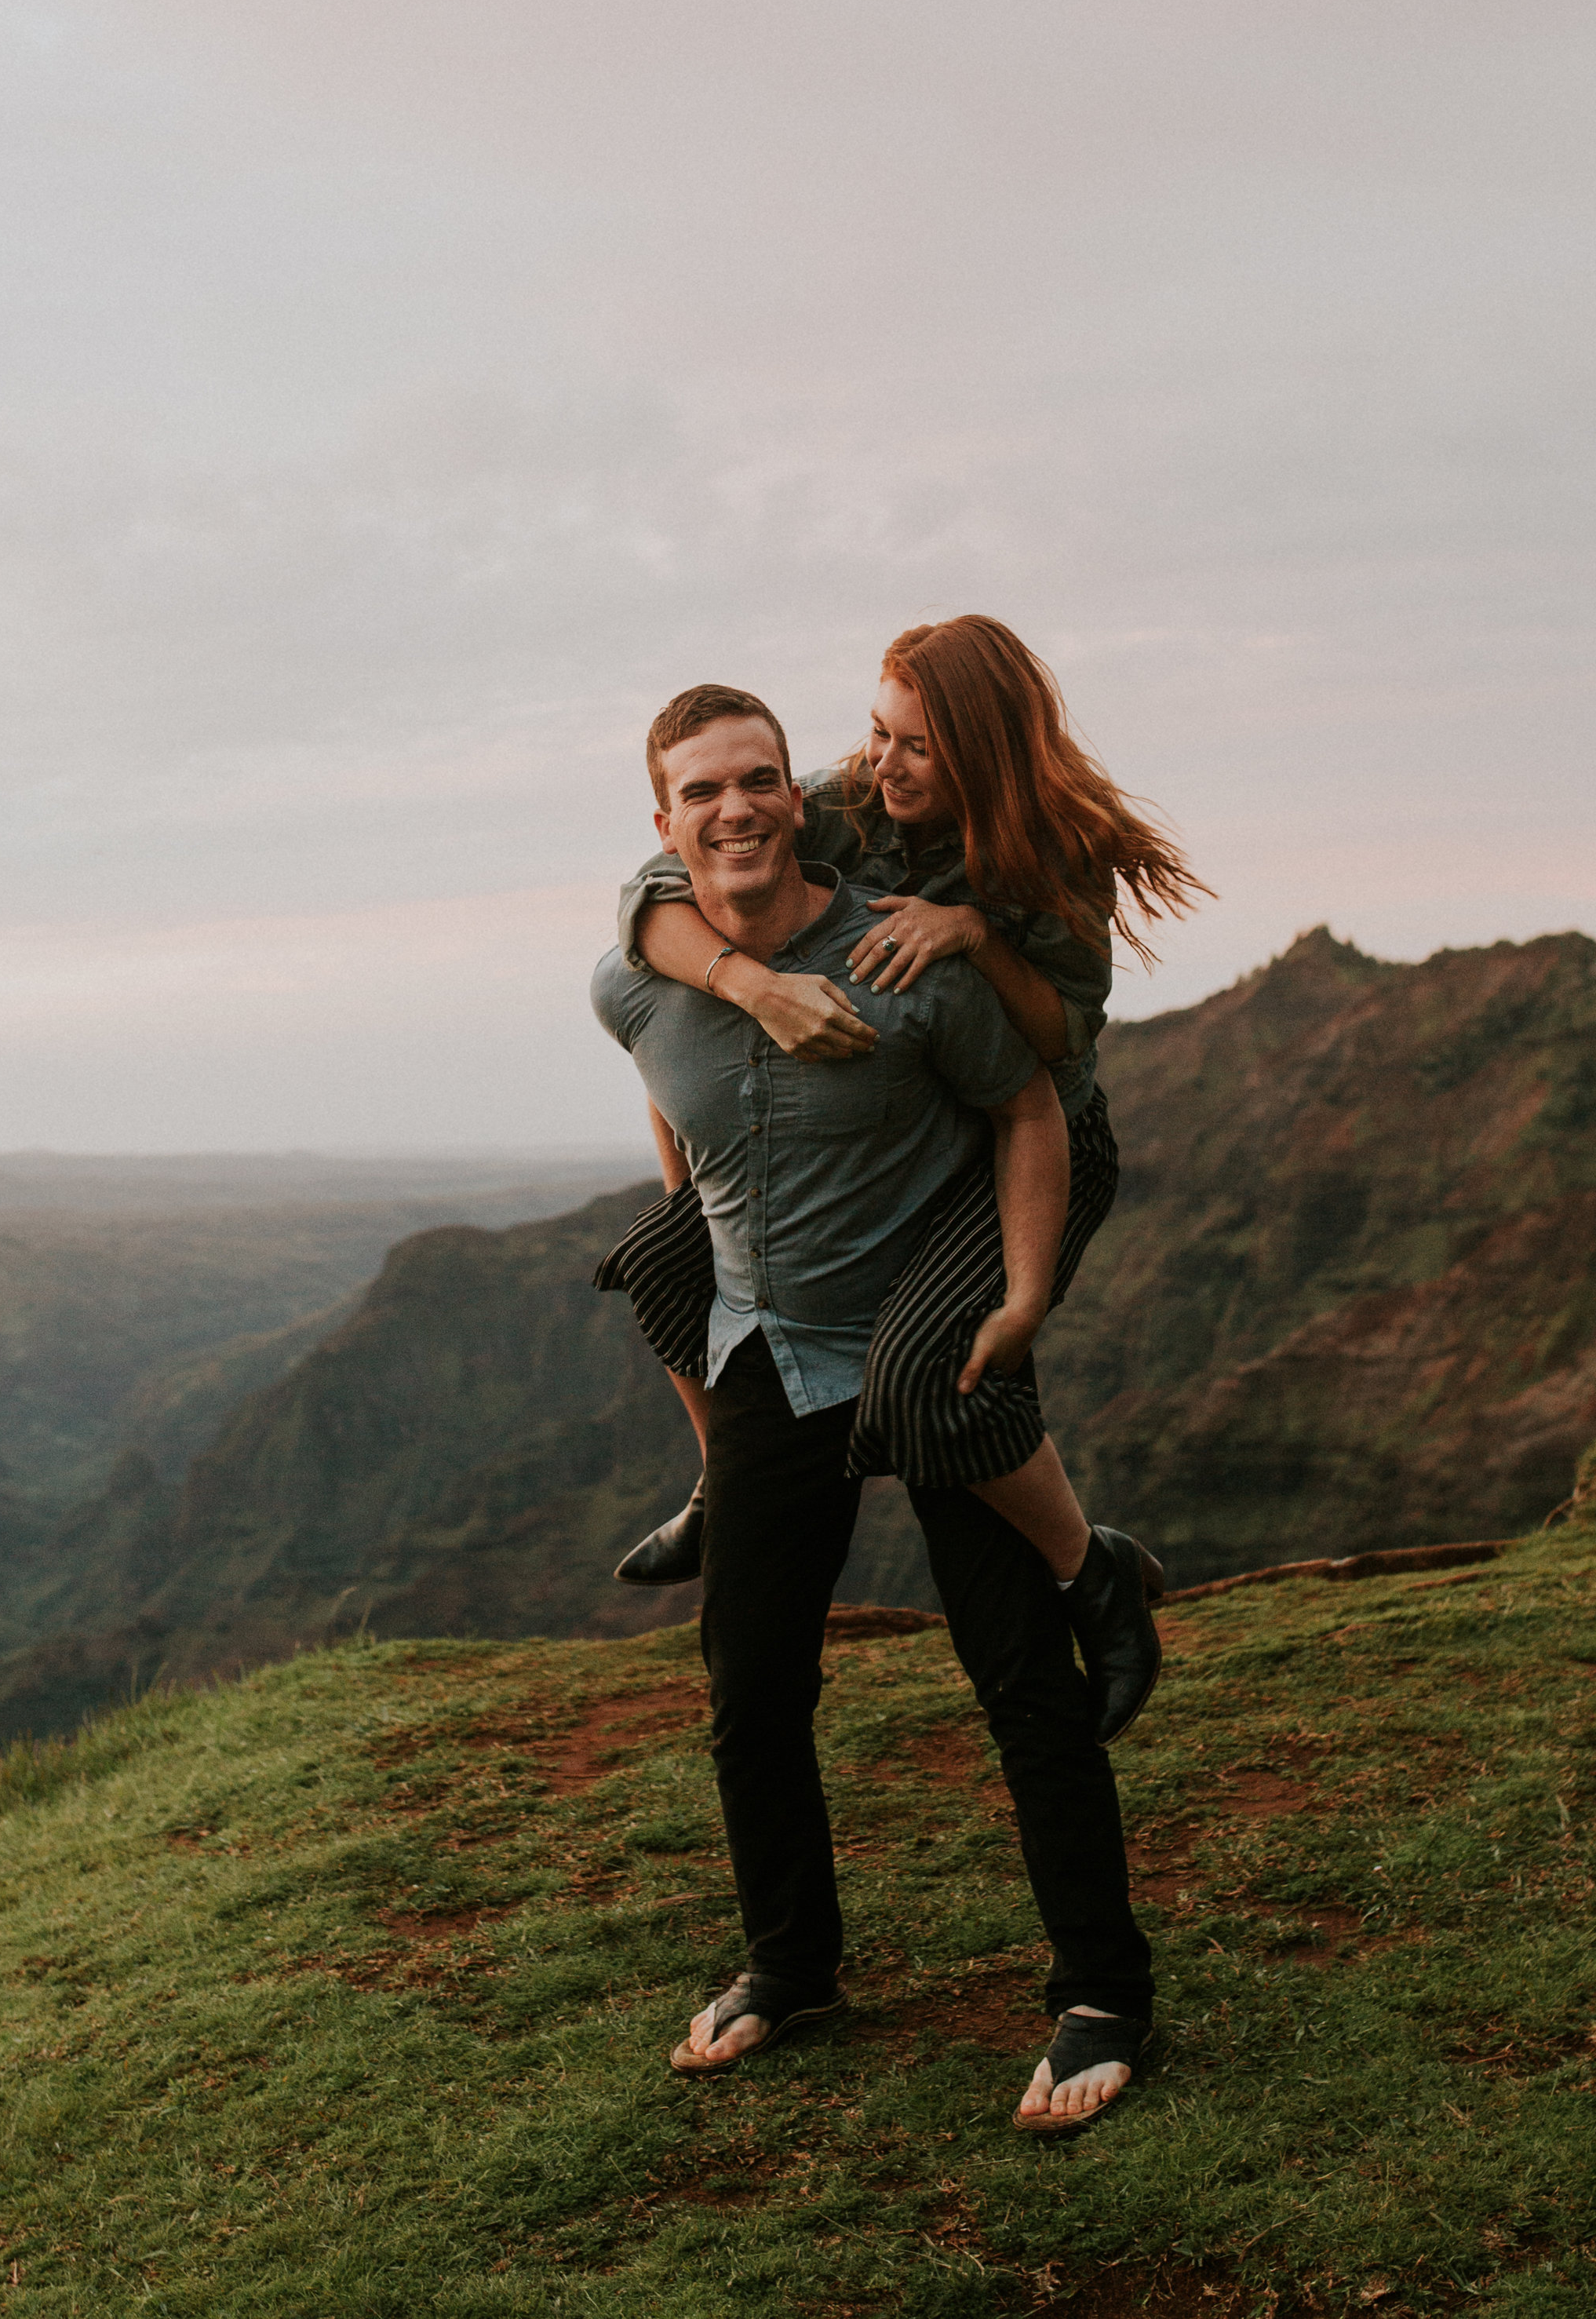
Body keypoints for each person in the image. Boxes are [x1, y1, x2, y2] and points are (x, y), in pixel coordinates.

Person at [591, 682, 1157, 2130]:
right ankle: (791, 1964)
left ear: (798, 797)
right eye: (702, 791)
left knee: (1021, 1679)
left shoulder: (910, 960)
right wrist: (697, 1220)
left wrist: (1017, 1301)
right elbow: (666, 1082)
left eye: (757, 781)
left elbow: (1033, 1103)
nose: (734, 810)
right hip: (765, 1357)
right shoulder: (638, 978)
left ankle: (1103, 1991)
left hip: (927, 1346)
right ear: (664, 823)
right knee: (753, 1688)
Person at [598, 615, 1205, 1743]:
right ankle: (722, 1483)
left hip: (1033, 1139)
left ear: (985, 751)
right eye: (879, 732)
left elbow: (1058, 1041)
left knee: (928, 1372)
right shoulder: (849, 797)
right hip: (922, 1123)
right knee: (661, 1262)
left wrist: (973, 931)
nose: (885, 762)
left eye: (918, 745)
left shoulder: (1057, 847)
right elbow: (651, 898)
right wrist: (749, 985)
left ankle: (1090, 1571)